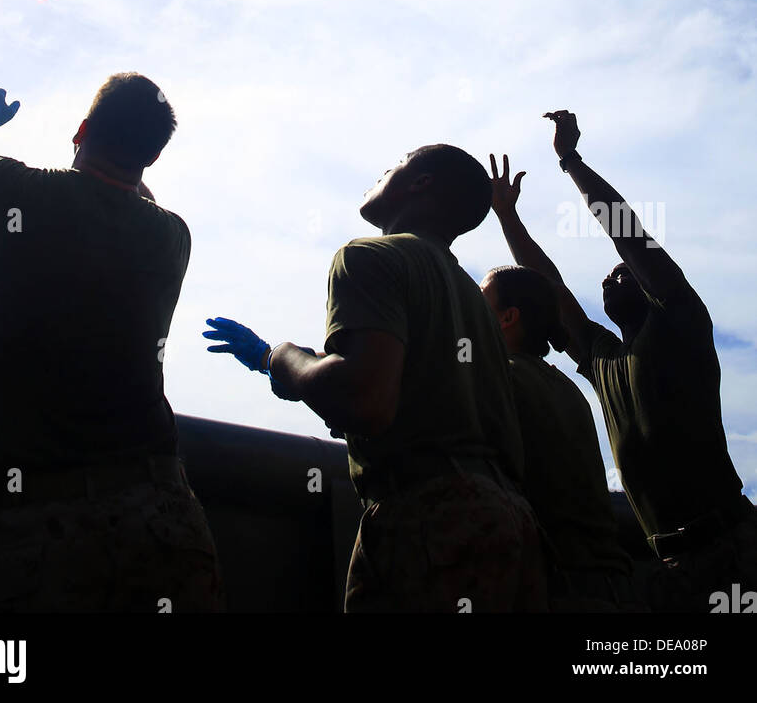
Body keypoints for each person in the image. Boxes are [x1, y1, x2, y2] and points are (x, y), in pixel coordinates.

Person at [0, 75, 223, 613]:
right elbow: (129, 200)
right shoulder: (173, 237)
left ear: (83, 128)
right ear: (152, 158)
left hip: (38, 525)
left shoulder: (18, 193)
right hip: (165, 517)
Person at [203, 143, 547, 613]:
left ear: (419, 182)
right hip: (512, 526)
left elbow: (366, 402)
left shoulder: (367, 257)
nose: (379, 175)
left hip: (430, 518)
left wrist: (282, 358)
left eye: (393, 166)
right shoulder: (474, 304)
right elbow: (421, 402)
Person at [492, 111, 756, 612]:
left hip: (736, 547)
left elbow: (627, 234)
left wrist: (570, 161)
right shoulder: (601, 358)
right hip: (670, 565)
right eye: (608, 278)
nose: (613, 277)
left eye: (624, 273)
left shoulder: (679, 323)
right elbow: (548, 287)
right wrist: (508, 217)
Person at [481, 205, 638, 611]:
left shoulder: (501, 378)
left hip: (554, 586)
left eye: (481, 302)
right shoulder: (568, 389)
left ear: (507, 318)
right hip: (609, 586)